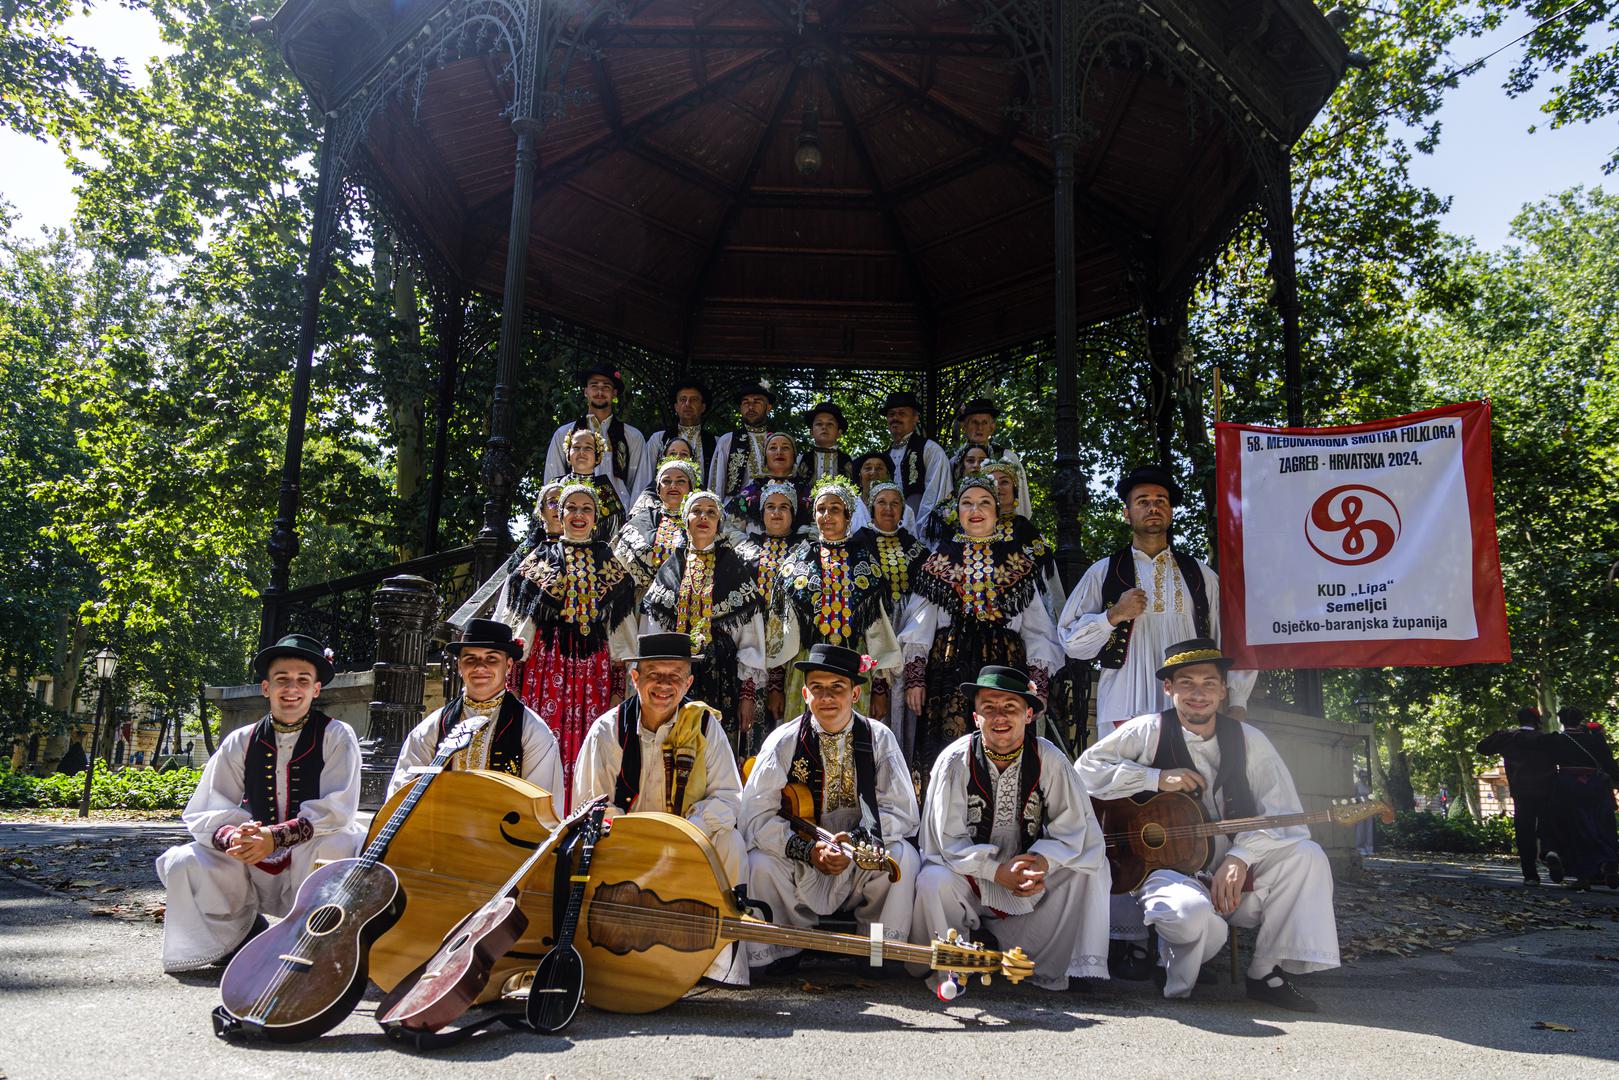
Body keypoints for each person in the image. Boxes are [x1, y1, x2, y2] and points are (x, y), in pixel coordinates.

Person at [1078, 639, 1339, 1011]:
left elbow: (1283, 812)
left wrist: (1241, 857)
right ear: (1168, 688)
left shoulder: (1251, 741)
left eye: (1208, 683)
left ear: (1223, 690)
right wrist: (1154, 778)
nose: (1198, 694)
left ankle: (1265, 972)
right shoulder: (1146, 730)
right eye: (1186, 683)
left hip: (1232, 874)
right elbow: (1085, 773)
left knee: (1307, 855)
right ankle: (1179, 964)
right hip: (1168, 870)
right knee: (1190, 917)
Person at [155, 634, 364, 973]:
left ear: (316, 690)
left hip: (308, 851)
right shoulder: (242, 739)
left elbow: (338, 808)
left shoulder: (337, 735)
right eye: (282, 680)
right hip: (252, 856)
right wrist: (236, 838)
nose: (291, 689)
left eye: (302, 680)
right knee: (184, 861)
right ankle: (238, 936)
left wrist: (275, 837)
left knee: (340, 845)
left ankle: (316, 940)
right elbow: (207, 805)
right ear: (266, 688)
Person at [913, 666, 1110, 995]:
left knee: (1089, 867)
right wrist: (995, 870)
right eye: (989, 707)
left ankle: (1048, 970)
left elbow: (1076, 830)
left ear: (1029, 714)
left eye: (1010, 707)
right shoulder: (955, 761)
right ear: (976, 717)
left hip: (1026, 881)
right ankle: (952, 970)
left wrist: (1041, 863)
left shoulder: (1050, 759)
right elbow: (946, 842)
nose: (999, 717)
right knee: (933, 880)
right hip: (970, 878)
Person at [573, 633, 750, 983]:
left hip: (687, 842)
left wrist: (683, 832)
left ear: (689, 682)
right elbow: (589, 807)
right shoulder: (606, 732)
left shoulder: (704, 727)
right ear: (635, 678)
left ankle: (718, 969)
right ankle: (604, 961)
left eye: (675, 676)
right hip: (624, 846)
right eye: (654, 674)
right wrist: (641, 837)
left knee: (731, 844)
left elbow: (730, 797)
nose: (665, 685)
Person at [739, 643, 920, 974]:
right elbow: (755, 818)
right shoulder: (783, 742)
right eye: (818, 688)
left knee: (903, 857)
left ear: (854, 695)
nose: (826, 698)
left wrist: (853, 842)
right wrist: (808, 851)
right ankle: (781, 953)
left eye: (837, 688)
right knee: (758, 862)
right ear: (805, 694)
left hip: (858, 860)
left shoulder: (878, 739)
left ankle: (876, 952)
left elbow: (904, 813)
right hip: (801, 860)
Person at [1059, 465, 1255, 739]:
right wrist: (1113, 615)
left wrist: (1237, 702)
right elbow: (1071, 643)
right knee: (1127, 781)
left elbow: (1231, 638)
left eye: (1160, 501)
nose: (1153, 508)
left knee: (1188, 781)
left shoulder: (1201, 575)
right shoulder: (1103, 572)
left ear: (1171, 513)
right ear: (1127, 514)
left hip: (1191, 711)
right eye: (1143, 502)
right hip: (1123, 709)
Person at [901, 477, 1063, 779]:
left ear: (996, 511)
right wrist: (914, 677)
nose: (976, 509)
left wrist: (1039, 683)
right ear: (958, 511)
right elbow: (919, 622)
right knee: (948, 748)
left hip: (1005, 664)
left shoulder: (1020, 561)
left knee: (1005, 741)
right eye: (967, 503)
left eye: (984, 502)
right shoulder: (940, 559)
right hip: (949, 666)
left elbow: (1039, 629)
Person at [500, 483, 638, 802]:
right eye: (571, 508)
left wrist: (620, 687)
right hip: (546, 669)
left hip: (595, 673)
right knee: (541, 741)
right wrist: (513, 683)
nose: (578, 514)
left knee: (594, 742)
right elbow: (521, 629)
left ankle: (584, 811)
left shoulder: (610, 563)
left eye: (586, 509)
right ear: (559, 515)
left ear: (595, 517)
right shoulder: (537, 561)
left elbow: (621, 635)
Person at [640, 491, 771, 753]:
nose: (703, 517)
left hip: (722, 674)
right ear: (685, 519)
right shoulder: (670, 568)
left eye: (711, 512)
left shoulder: (733, 567)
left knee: (716, 749)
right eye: (697, 511)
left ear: (719, 523)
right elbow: (652, 630)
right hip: (673, 672)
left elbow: (750, 636)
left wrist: (747, 694)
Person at [389, 618, 565, 801]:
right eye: (470, 658)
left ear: (509, 665)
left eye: (491, 658)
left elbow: (541, 806)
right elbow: (401, 793)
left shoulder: (532, 730)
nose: (480, 666)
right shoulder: (432, 727)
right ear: (459, 666)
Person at [775, 476, 897, 720]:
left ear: (848, 516)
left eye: (835, 509)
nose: (827, 515)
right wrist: (776, 686)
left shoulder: (865, 562)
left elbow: (878, 632)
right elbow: (781, 630)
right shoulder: (798, 561)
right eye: (821, 509)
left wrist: (880, 690)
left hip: (852, 663)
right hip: (806, 665)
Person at [854, 481, 929, 758]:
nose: (888, 508)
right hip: (870, 628)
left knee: (901, 707)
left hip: (908, 629)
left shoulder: (916, 548)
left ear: (902, 511)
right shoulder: (857, 543)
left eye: (895, 503)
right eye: (882, 502)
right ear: (872, 508)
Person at [1477, 707, 1558, 885]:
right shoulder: (1547, 739)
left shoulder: (1509, 738)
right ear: (1536, 721)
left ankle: (1530, 875)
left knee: (1524, 832)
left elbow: (1482, 748)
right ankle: (1549, 851)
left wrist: (1500, 733)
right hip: (1547, 790)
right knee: (1548, 825)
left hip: (1521, 792)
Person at [742, 481, 800, 730]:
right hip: (752, 648)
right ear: (761, 512)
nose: (776, 513)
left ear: (793, 514)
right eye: (771, 507)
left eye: (784, 507)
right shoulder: (744, 551)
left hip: (791, 652)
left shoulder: (804, 551)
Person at [544, 363, 649, 495]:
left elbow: (641, 483)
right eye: (594, 386)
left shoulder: (633, 436)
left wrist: (634, 516)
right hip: (574, 512)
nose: (600, 392)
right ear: (585, 391)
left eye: (606, 386)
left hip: (622, 513)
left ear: (614, 393)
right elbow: (553, 481)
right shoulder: (563, 434)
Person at [1545, 707, 1619, 889]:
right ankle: (1608, 861)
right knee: (1602, 824)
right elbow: (1609, 763)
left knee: (1574, 828)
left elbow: (1546, 763)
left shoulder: (1557, 740)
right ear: (1581, 720)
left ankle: (1582, 877)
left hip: (1567, 785)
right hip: (1595, 785)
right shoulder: (1595, 739)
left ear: (1561, 720)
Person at [615, 457, 700, 590]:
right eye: (666, 481)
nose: (673, 485)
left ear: (691, 488)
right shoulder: (640, 521)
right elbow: (617, 568)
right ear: (658, 490)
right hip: (643, 603)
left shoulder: (702, 523)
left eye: (681, 481)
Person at [880, 391, 952, 525]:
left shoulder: (930, 450)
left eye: (902, 413)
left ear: (915, 418)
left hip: (921, 531)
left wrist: (918, 529)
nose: (895, 418)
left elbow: (936, 495)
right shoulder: (884, 457)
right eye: (891, 414)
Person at [948, 398, 1030, 512]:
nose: (979, 428)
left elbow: (1020, 499)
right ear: (964, 427)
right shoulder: (954, 462)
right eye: (974, 422)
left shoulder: (1006, 457)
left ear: (992, 428)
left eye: (984, 423)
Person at [555, 427, 627, 541]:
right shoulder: (555, 486)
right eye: (576, 447)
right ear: (568, 453)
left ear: (598, 457)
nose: (581, 452)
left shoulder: (606, 490)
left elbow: (616, 532)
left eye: (588, 448)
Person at [727, 432, 808, 533]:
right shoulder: (750, 492)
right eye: (773, 448)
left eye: (785, 448)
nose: (779, 452)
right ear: (765, 458)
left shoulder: (807, 493)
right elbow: (729, 529)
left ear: (794, 456)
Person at [647, 378, 719, 486]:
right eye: (682, 399)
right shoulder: (658, 439)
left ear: (703, 407)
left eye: (694, 400)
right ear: (676, 407)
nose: (687, 404)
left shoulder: (716, 442)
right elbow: (646, 477)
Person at [714, 380, 777, 501]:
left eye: (757, 402)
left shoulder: (777, 442)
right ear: (740, 408)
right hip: (733, 513)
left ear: (768, 407)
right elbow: (717, 483)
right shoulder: (728, 440)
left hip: (771, 510)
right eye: (745, 402)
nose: (751, 407)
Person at [795, 401, 853, 486]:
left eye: (830, 424)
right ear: (811, 432)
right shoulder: (799, 461)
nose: (824, 427)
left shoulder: (850, 461)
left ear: (839, 432)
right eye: (819, 424)